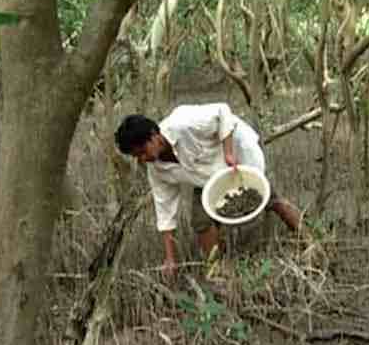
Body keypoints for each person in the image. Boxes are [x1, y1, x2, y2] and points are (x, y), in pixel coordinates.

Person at [115, 103, 301, 279]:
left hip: (237, 153)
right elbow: (165, 210)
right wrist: (170, 259)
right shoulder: (156, 169)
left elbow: (223, 111)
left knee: (268, 198)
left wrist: (228, 152)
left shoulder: (182, 122)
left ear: (154, 135)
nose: (142, 159)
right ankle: (216, 271)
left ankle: (307, 237)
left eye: (142, 151)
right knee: (201, 220)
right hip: (207, 177)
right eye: (136, 156)